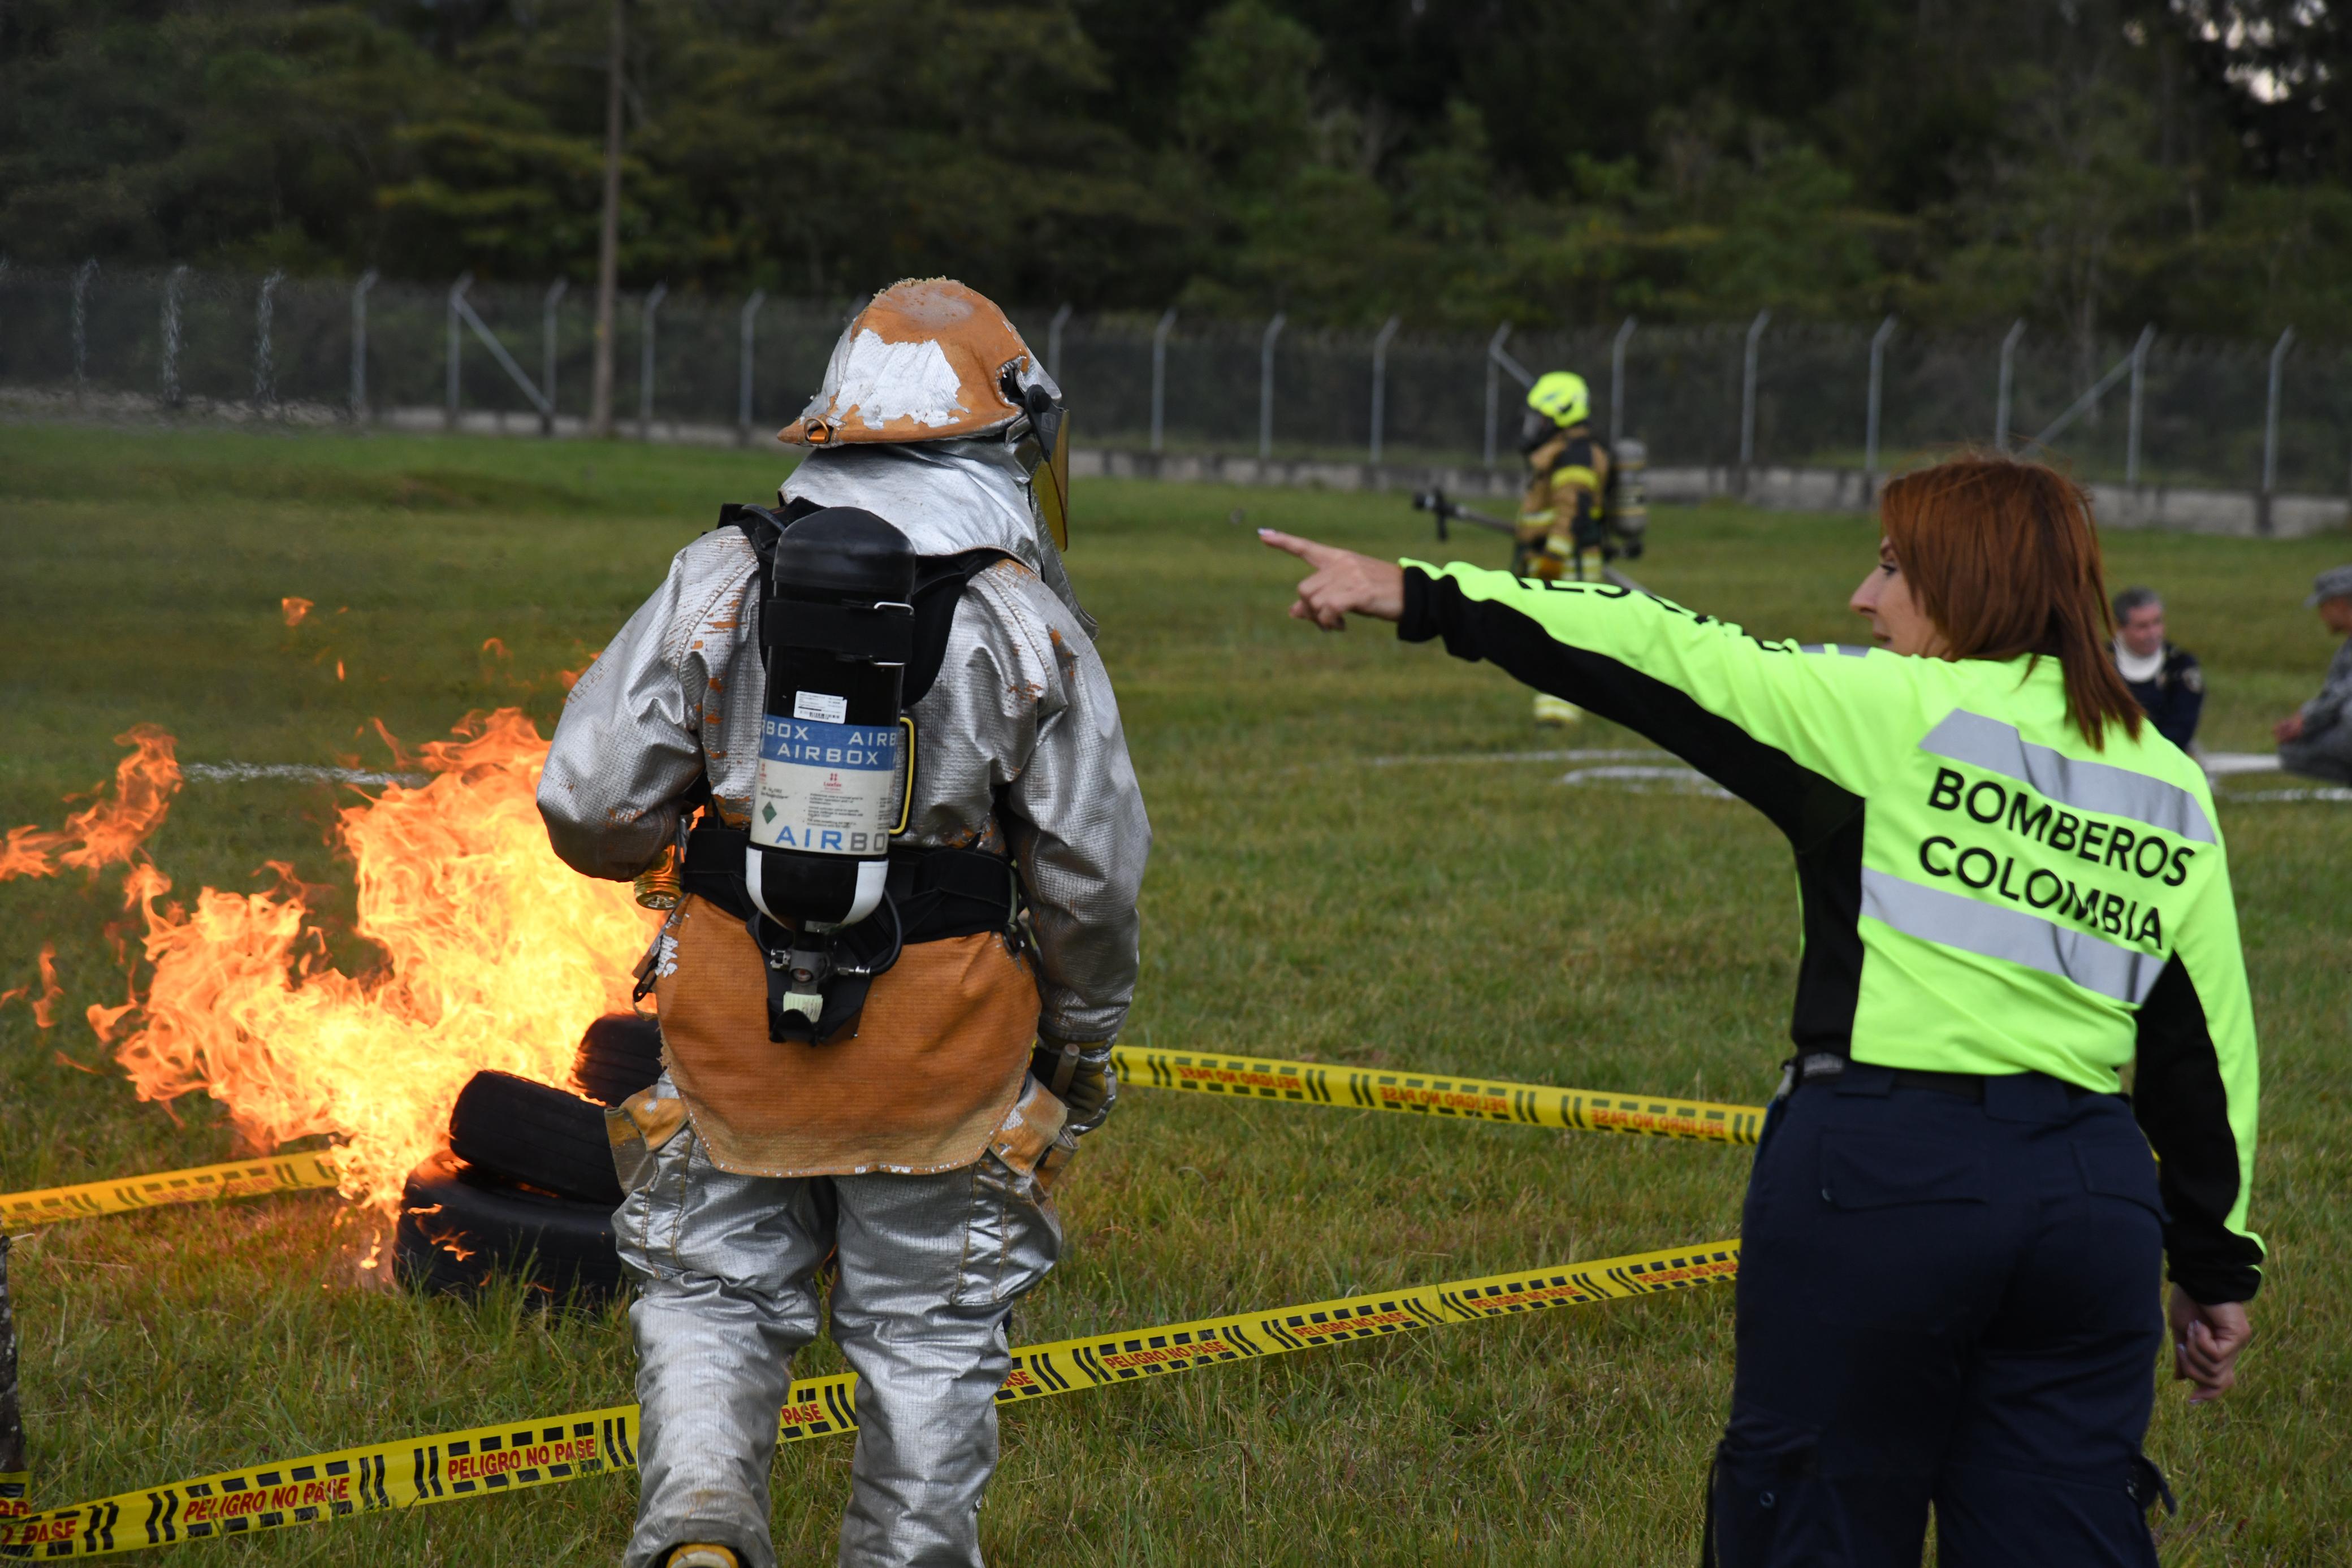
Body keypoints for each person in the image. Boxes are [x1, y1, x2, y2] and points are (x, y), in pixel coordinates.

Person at [1261, 453, 2259, 1567]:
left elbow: (1655, 645)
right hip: (2089, 1207)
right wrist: (2213, 1265)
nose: (1861, 599)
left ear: (1963, 584)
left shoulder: (1885, 711)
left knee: (1811, 1517)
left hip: (1880, 1180)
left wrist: (1415, 590)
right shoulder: (2167, 779)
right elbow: (2203, 1047)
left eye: (1889, 568)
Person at [539, 278, 1151, 1568]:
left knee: (711, 1296)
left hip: (732, 1042)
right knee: (926, 1339)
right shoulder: (1021, 619)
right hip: (946, 1056)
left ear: (834, 428)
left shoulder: (719, 577)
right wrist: (1081, 1044)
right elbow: (1090, 874)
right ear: (1001, 436)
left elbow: (590, 803)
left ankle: (700, 1535)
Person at [1515, 370, 1611, 725]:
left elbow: (1571, 509)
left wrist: (1554, 556)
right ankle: (1557, 710)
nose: (1533, 425)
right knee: (1553, 637)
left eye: (1540, 417)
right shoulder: (1566, 452)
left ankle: (1561, 714)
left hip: (1568, 562)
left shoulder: (1575, 457)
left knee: (1566, 638)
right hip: (1559, 557)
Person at [2273, 564, 2352, 785]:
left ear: (2338, 604)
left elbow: (2344, 692)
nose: (2322, 615)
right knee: (2293, 752)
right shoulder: (2346, 650)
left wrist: (2306, 720)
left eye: (2323, 607)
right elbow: (2333, 694)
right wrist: (2306, 722)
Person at [2111, 586, 2203, 752]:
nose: (2153, 633)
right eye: (2142, 626)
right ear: (2120, 627)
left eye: (2157, 622)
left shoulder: (2179, 666)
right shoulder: (2102, 665)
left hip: (2167, 756)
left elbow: (2181, 728)